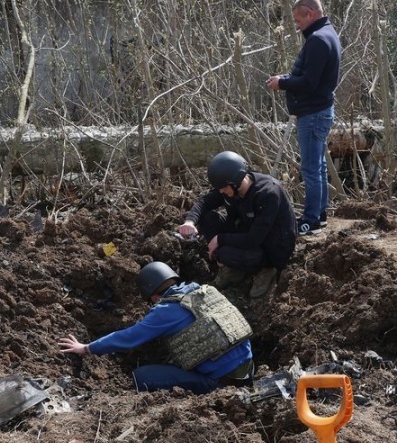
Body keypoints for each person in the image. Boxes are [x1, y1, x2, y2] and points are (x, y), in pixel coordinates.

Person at [58, 261, 254, 394]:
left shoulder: (166, 310)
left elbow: (129, 337)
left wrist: (86, 348)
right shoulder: (206, 291)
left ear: (153, 296)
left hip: (221, 384)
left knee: (141, 376)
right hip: (249, 369)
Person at [176, 150, 296, 300]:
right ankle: (234, 268)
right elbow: (205, 202)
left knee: (225, 252)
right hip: (248, 230)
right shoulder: (230, 187)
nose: (220, 191)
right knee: (208, 218)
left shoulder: (267, 194)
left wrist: (220, 239)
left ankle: (265, 270)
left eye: (223, 187)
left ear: (236, 181)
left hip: (272, 244)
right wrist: (189, 221)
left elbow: (253, 239)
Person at [266, 0, 341, 236]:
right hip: (319, 111)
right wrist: (285, 77)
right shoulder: (327, 33)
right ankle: (319, 214)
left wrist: (282, 83)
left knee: (310, 168)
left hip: (313, 113)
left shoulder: (318, 39)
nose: (297, 26)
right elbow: (310, 74)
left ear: (310, 14)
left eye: (298, 21)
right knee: (317, 167)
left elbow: (309, 82)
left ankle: (311, 220)